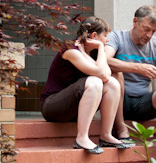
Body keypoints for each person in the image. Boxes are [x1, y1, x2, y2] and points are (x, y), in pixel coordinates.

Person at [40, 16, 129, 154]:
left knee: (112, 84)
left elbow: (107, 74)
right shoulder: (70, 50)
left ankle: (106, 136)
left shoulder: (93, 52)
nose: (108, 40)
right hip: (53, 106)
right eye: (105, 36)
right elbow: (101, 73)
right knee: (95, 81)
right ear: (94, 35)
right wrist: (99, 47)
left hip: (73, 108)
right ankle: (82, 138)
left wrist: (97, 50)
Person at [105, 6, 156, 147]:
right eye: (146, 29)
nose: (149, 35)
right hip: (118, 102)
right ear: (135, 22)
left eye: (153, 31)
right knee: (116, 72)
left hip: (142, 104)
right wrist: (138, 68)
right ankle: (122, 129)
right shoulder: (116, 37)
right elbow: (104, 60)